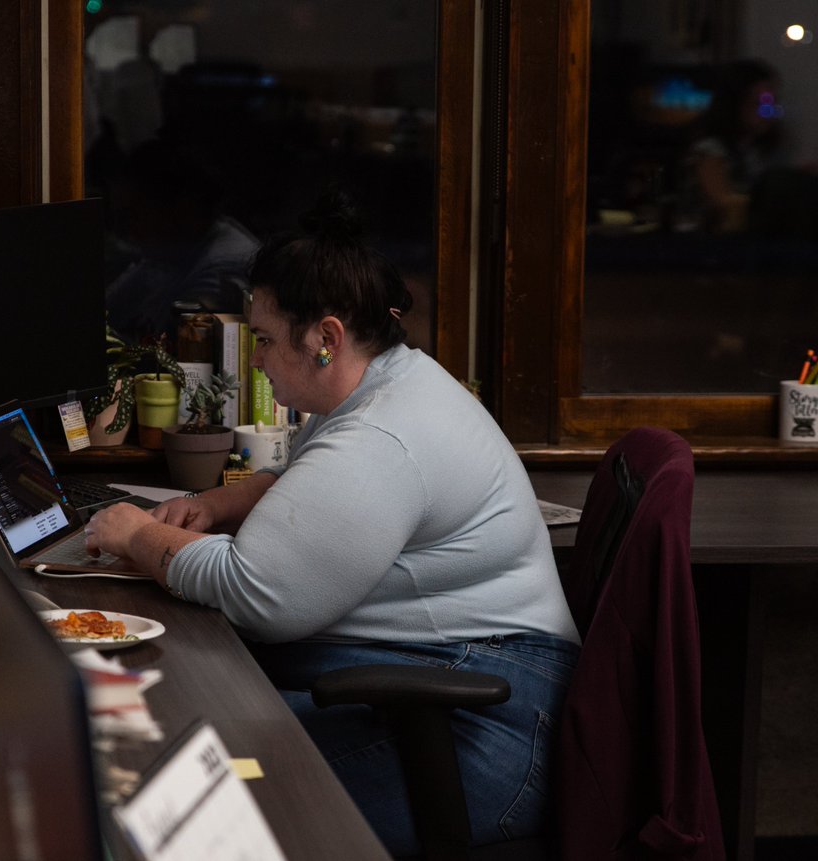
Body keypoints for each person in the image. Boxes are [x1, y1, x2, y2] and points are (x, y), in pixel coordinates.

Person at [84, 191, 580, 854]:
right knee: (189, 744)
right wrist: (223, 502)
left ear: (326, 337)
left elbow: (258, 593)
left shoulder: (382, 436)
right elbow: (315, 484)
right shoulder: (388, 383)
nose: (256, 358)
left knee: (193, 816)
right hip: (457, 685)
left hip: (484, 728)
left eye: (263, 339)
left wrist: (139, 535)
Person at [103, 136, 259, 344]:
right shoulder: (165, 252)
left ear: (184, 207)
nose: (126, 227)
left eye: (134, 213)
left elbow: (184, 348)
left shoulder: (226, 267)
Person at [688, 58, 785, 234]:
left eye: (771, 103)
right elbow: (724, 204)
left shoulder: (757, 150)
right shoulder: (711, 151)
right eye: (758, 104)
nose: (767, 112)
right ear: (735, 103)